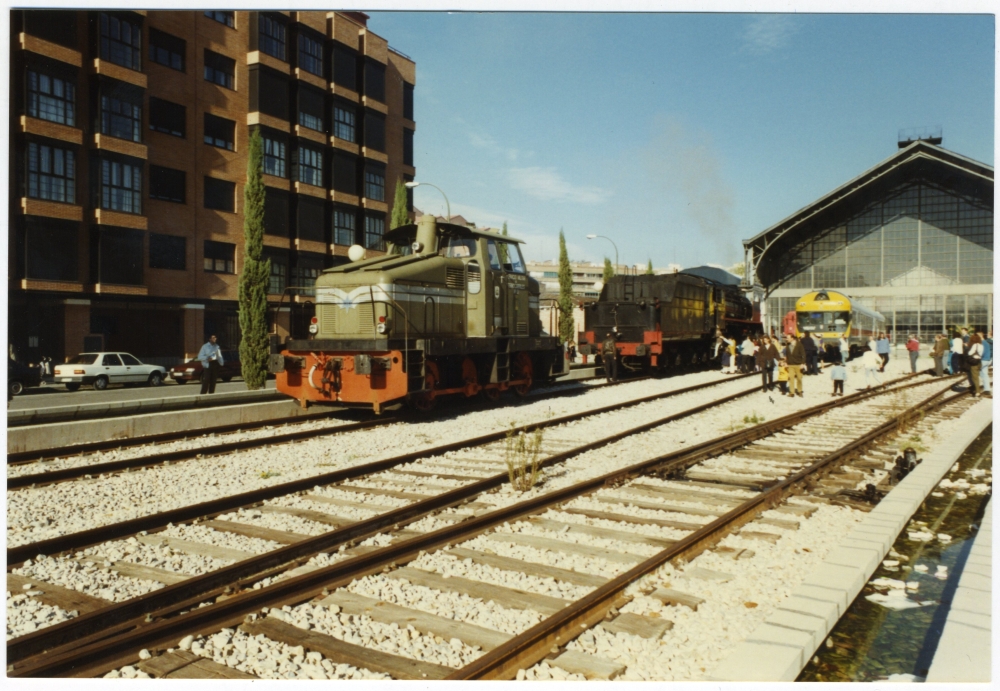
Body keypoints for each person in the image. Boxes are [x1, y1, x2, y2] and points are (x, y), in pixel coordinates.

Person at [978, 330, 992, 397]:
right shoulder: (986, 343)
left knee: (979, 374)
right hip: (987, 360)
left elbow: (981, 352)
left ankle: (978, 389)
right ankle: (987, 389)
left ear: (980, 335)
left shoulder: (982, 343)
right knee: (985, 374)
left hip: (982, 360)